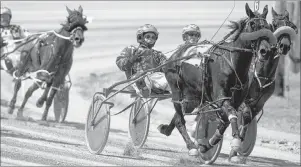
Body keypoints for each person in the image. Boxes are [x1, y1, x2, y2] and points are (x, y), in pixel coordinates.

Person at [116, 24, 170, 96]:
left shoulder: (157, 54)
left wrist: (168, 66)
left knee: (169, 80)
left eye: (153, 37)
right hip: (135, 79)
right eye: (148, 37)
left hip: (155, 78)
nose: (150, 39)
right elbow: (120, 63)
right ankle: (143, 88)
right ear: (140, 37)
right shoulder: (131, 50)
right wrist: (131, 60)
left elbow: (166, 64)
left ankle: (179, 90)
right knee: (140, 78)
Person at [1, 6, 30, 74]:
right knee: (7, 62)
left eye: (6, 17)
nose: (4, 19)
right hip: (4, 56)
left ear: (9, 18)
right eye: (1, 17)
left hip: (20, 54)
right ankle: (15, 76)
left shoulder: (17, 27)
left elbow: (28, 36)